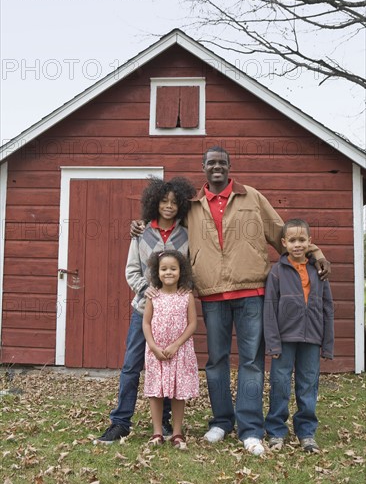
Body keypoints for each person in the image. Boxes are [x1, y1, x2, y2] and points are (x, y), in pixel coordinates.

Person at [131, 146, 330, 455]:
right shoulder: (192, 205)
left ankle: (250, 428)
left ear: (229, 165)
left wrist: (314, 251)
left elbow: (282, 233)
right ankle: (221, 422)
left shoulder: (251, 197)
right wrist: (141, 226)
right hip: (212, 294)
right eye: (211, 163)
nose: (217, 167)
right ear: (203, 167)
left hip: (252, 292)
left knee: (251, 361)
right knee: (216, 361)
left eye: (222, 162)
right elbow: (166, 225)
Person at [95, 176, 196, 443]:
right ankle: (120, 421)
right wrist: (145, 289)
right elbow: (131, 269)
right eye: (164, 201)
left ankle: (164, 424)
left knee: (169, 367)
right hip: (145, 311)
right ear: (155, 202)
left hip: (175, 315)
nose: (169, 206)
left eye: (174, 202)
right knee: (131, 365)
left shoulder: (187, 233)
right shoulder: (142, 233)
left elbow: (191, 268)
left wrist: (186, 290)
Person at [263, 219, 334, 452]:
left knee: (308, 384)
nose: (297, 244)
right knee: (280, 383)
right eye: (292, 240)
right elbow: (270, 309)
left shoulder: (318, 271)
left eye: (301, 240)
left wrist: (327, 343)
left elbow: (327, 307)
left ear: (309, 242)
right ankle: (275, 430)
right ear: (284, 243)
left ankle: (306, 431)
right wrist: (272, 343)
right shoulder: (276, 272)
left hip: (312, 337)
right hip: (284, 338)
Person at [143, 250, 199, 449]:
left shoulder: (186, 296)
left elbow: (192, 324)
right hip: (156, 351)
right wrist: (152, 346)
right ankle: (157, 432)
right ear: (157, 272)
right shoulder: (153, 296)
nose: (168, 273)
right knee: (156, 392)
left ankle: (177, 433)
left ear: (181, 272)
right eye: (164, 269)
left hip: (179, 352)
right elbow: (146, 323)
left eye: (173, 269)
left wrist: (176, 344)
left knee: (178, 392)